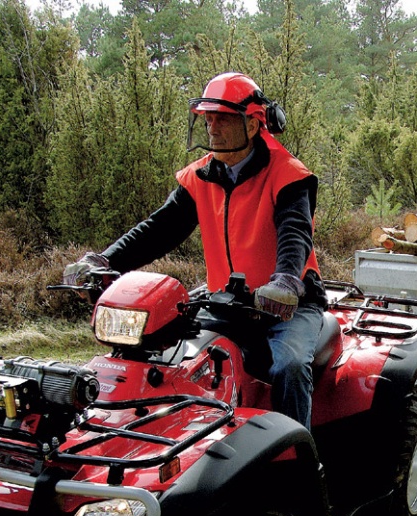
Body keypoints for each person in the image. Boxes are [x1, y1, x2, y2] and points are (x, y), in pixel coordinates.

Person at [64, 72, 325, 430]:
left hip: (288, 306)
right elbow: (158, 230)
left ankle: (296, 456)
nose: (212, 127)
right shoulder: (201, 176)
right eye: (208, 118)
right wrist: (106, 260)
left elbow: (295, 231)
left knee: (289, 366)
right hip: (228, 302)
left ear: (252, 125)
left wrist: (285, 281)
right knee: (173, 358)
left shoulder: (287, 174)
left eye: (223, 119)